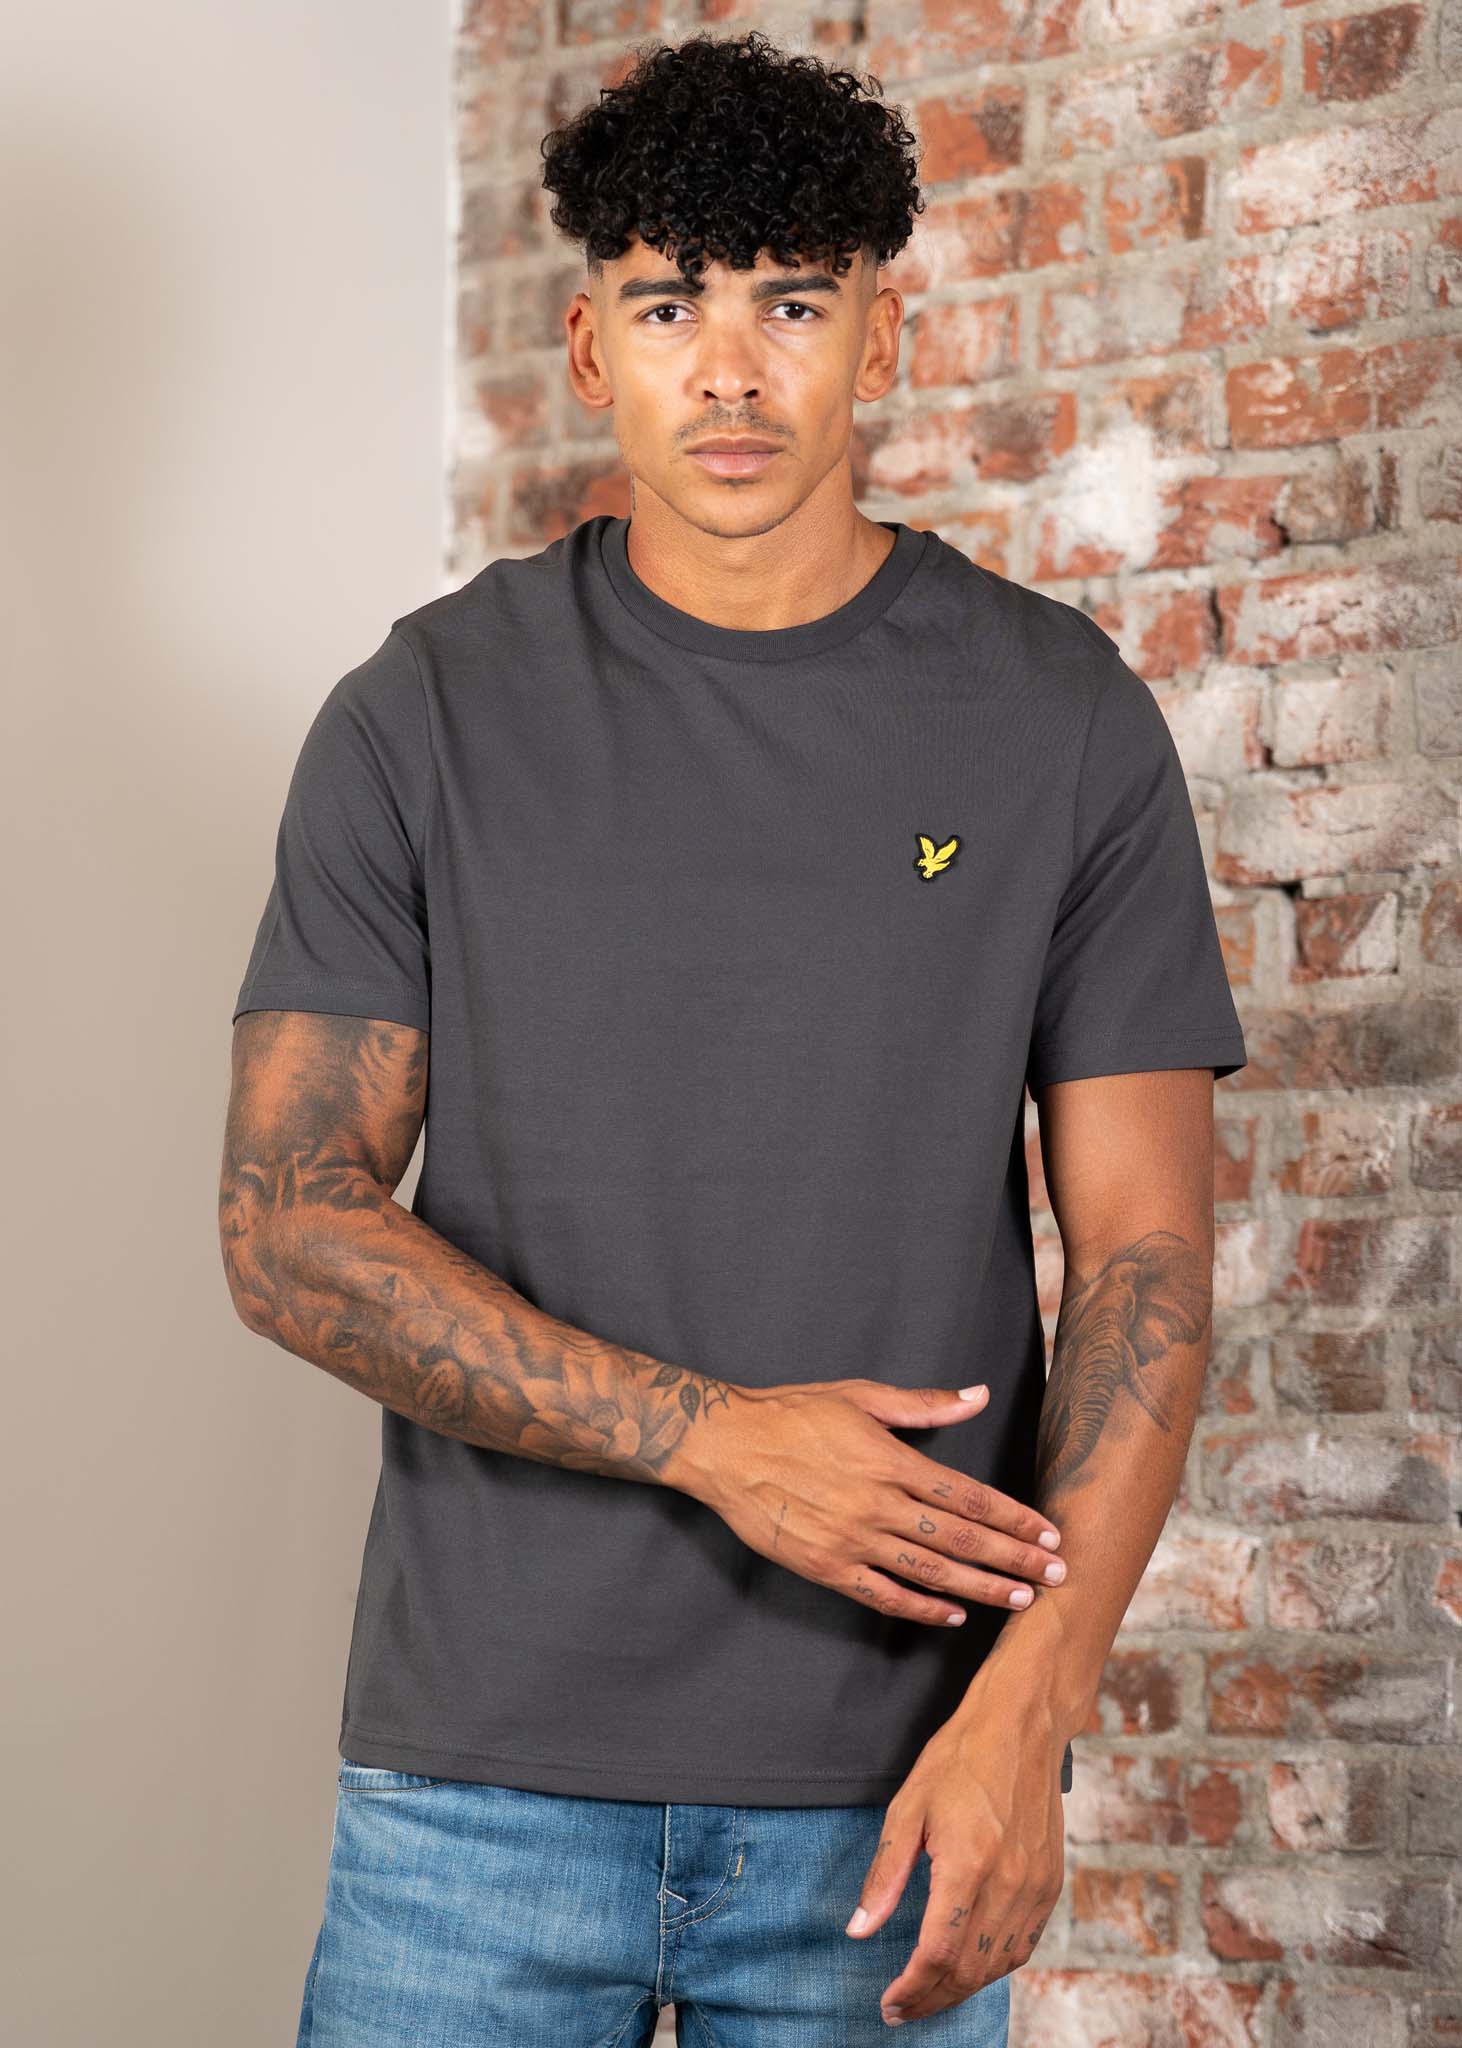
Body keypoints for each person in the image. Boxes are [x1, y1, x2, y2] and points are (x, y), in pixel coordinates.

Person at [219, 27, 1247, 2046]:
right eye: (667, 302)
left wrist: (1027, 1715)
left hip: (895, 1793)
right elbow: (286, 1221)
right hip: (475, 1795)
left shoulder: (1055, 719)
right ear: (588, 347)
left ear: (880, 337)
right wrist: (712, 1440)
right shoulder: (422, 715)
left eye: (790, 303)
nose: (728, 370)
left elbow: (1142, 1256)